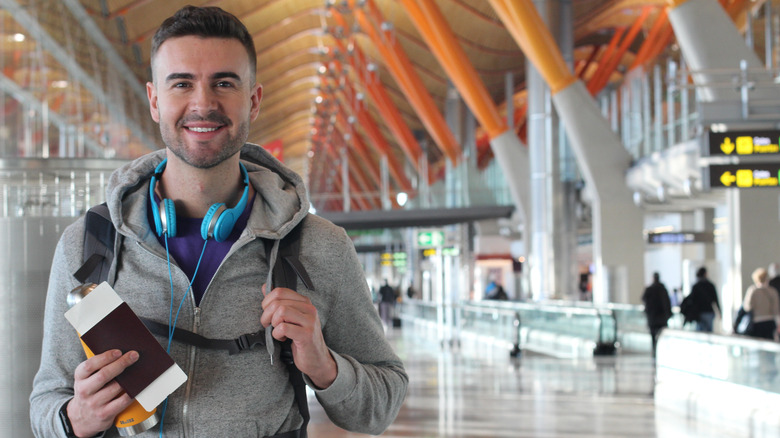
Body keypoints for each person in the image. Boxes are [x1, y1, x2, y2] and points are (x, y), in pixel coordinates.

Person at [29, 6, 407, 438]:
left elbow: (382, 404)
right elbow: (46, 401)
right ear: (155, 100)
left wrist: (325, 367)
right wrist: (74, 419)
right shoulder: (89, 245)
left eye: (223, 83)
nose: (203, 103)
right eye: (182, 84)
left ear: (254, 100)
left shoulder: (317, 246)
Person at [742, 267, 780, 340]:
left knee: (758, 344)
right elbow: (776, 309)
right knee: (769, 343)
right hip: (770, 321)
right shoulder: (772, 291)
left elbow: (747, 307)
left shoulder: (753, 290)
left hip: (757, 321)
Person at [681, 267, 721, 332]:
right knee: (709, 331)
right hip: (708, 312)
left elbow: (692, 300)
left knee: (701, 332)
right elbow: (715, 299)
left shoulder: (696, 286)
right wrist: (719, 312)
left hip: (700, 313)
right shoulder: (710, 285)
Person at [641, 272, 672, 358]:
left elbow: (643, 299)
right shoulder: (663, 290)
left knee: (654, 336)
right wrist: (669, 315)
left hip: (653, 318)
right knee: (662, 335)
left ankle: (655, 351)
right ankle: (661, 351)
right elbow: (668, 303)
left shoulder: (650, 289)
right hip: (662, 318)